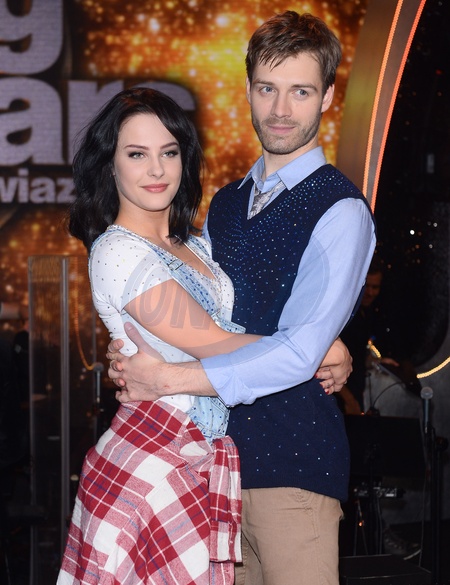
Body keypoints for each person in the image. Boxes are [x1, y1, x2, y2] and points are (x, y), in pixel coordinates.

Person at [108, 12, 376, 585]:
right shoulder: (227, 203)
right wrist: (130, 347)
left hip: (294, 467)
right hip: (213, 465)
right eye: (267, 88)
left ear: (328, 97)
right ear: (249, 90)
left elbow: (298, 352)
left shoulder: (340, 210)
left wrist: (168, 378)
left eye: (300, 91)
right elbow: (200, 314)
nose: (280, 109)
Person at [57, 86, 347, 585]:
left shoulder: (194, 243)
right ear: (110, 166)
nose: (156, 169)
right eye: (137, 154)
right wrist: (314, 346)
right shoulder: (117, 251)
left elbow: (238, 323)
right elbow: (213, 341)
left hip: (203, 456)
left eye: (169, 152)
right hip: (153, 453)